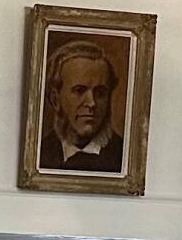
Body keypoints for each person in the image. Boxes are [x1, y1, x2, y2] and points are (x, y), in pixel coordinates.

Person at [38, 38, 126, 176]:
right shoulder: (39, 153)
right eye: (79, 91)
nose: (91, 103)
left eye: (100, 93)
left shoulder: (124, 156)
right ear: (56, 100)